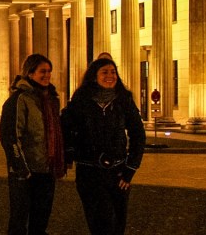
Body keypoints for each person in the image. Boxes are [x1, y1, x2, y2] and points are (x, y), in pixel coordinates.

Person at [62, 57, 145, 235]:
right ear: (94, 76)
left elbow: (138, 134)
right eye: (105, 72)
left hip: (118, 171)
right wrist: (69, 153)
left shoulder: (123, 100)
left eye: (113, 72)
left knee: (118, 224)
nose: (110, 76)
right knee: (102, 223)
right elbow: (66, 127)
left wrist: (130, 169)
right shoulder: (82, 99)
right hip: (89, 172)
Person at [0, 53, 65, 235]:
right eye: (42, 71)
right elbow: (10, 136)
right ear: (30, 73)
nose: (47, 75)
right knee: (19, 222)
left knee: (40, 221)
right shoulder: (18, 100)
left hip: (46, 169)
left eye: (49, 71)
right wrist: (22, 169)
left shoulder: (51, 99)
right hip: (25, 172)